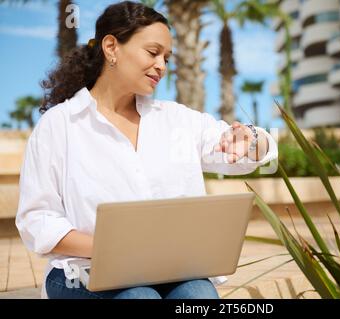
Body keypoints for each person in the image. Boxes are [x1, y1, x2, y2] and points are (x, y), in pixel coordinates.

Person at [15, 1, 278, 299]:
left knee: (199, 296)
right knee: (140, 297)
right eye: (153, 53)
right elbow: (37, 219)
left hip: (171, 269)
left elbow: (253, 154)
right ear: (111, 47)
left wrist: (252, 138)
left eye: (166, 58)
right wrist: (116, 249)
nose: (162, 66)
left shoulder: (176, 119)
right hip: (84, 272)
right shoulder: (59, 125)